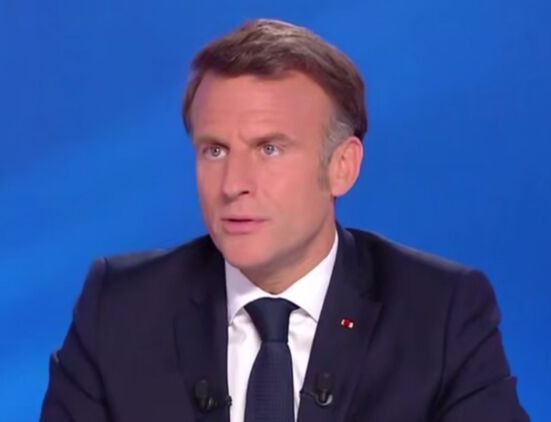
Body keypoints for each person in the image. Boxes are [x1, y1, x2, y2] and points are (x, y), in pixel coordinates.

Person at [41, 19, 528, 422]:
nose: (233, 184)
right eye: (215, 150)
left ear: (342, 166)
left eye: (269, 149)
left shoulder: (439, 314)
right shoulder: (120, 309)